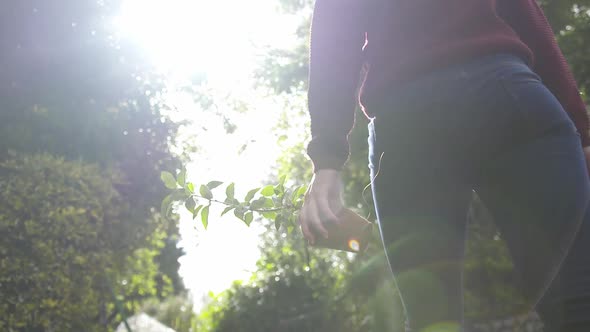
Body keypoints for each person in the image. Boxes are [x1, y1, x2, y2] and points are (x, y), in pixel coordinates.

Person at [298, 0, 590, 331]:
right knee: (577, 300)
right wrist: (581, 133)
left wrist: (327, 160)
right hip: (509, 93)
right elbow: (527, 18)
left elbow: (336, 30)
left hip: (409, 124)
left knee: (432, 319)